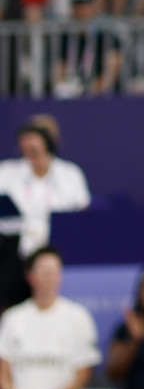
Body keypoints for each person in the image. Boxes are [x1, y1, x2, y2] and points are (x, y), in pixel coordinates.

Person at [0, 246, 100, 389]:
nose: (51, 277)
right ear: (30, 276)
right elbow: (3, 371)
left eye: (55, 271)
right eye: (45, 271)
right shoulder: (13, 317)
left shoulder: (78, 316)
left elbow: (83, 373)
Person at [0, 122, 91, 307]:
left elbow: (83, 214)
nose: (29, 153)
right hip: (15, 251)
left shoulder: (69, 174)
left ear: (47, 145)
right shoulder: (7, 172)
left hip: (57, 248)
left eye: (34, 148)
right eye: (24, 148)